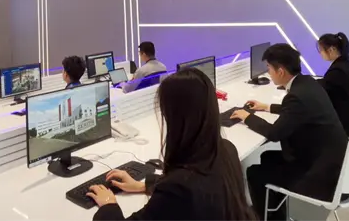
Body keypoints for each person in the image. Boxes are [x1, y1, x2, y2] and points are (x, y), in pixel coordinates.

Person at [86, 68, 257, 221]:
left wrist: (108, 205)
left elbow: (183, 189)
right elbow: (197, 185)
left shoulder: (177, 189)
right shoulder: (227, 149)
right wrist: (144, 185)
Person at [231, 44, 348, 221]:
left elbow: (274, 133)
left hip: (321, 174)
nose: (268, 72)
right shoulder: (307, 83)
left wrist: (247, 117)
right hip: (330, 161)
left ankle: (262, 216)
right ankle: (274, 214)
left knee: (255, 173)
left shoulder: (296, 96)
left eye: (269, 68)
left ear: (280, 71)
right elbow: (297, 110)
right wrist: (267, 107)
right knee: (267, 157)